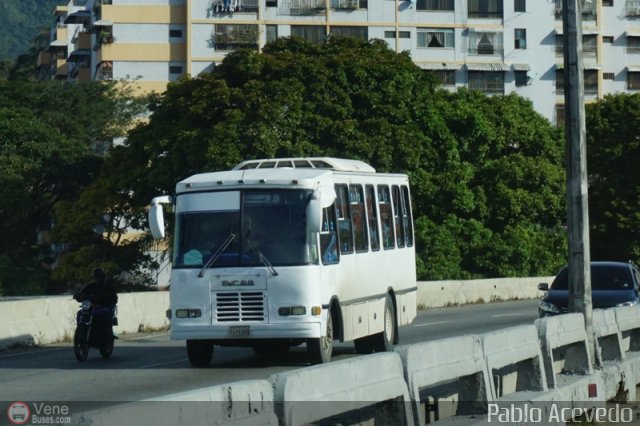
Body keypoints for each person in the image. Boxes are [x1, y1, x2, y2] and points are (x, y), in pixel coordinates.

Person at [74, 268, 118, 334]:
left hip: (103, 307)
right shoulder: (90, 286)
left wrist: (104, 299)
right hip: (91, 307)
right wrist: (78, 296)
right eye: (96, 277)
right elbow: (81, 293)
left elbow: (114, 298)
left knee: (106, 313)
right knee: (80, 313)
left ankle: (108, 335)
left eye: (100, 277)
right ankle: (81, 330)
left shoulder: (108, 287)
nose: (98, 279)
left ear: (103, 277)